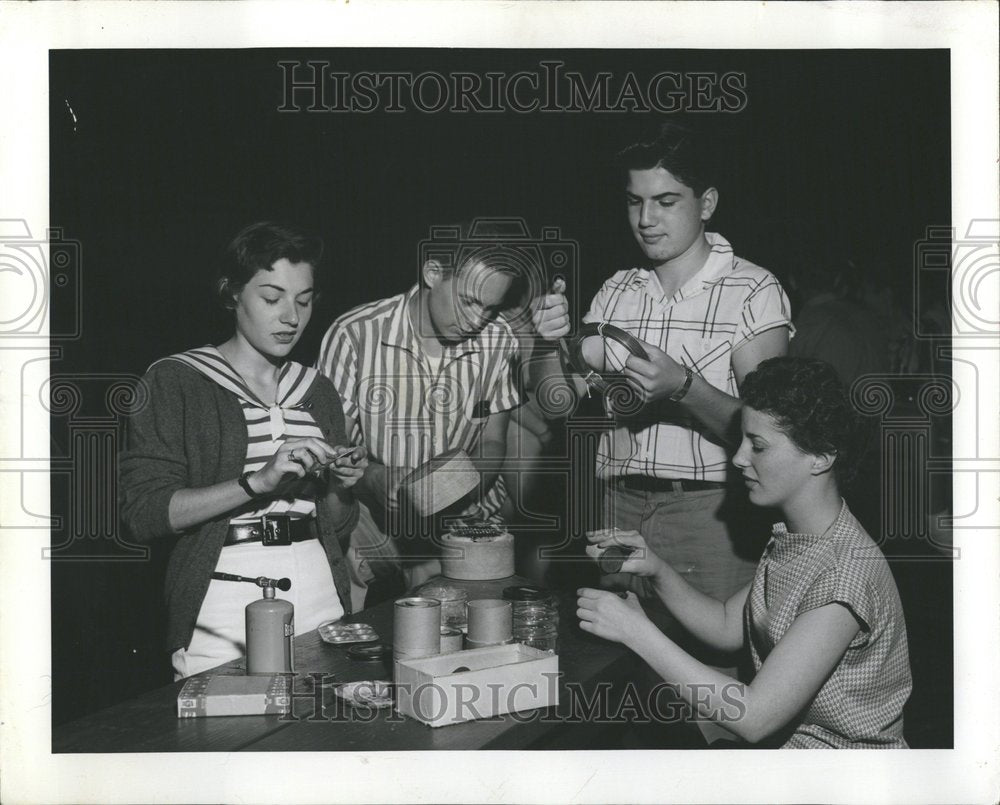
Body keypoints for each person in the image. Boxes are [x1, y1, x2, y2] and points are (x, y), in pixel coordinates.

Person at [578, 357, 912, 748]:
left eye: (758, 446)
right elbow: (724, 626)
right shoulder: (799, 537)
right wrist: (656, 567)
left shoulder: (843, 574)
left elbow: (754, 716)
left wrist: (637, 632)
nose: (738, 458)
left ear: (821, 457)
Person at [532, 121, 792, 621]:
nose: (646, 219)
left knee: (705, 672)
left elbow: (775, 435)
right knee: (616, 662)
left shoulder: (752, 290)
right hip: (615, 507)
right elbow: (557, 403)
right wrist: (546, 344)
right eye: (635, 201)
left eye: (666, 201)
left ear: (707, 203)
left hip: (710, 515)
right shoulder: (617, 290)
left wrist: (684, 389)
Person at [120, 222, 367, 679]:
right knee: (227, 738)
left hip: (319, 592)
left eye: (304, 300)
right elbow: (146, 512)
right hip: (223, 599)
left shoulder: (318, 390)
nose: (291, 316)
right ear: (232, 294)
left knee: (325, 735)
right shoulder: (178, 380)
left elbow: (337, 524)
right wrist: (258, 482)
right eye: (271, 299)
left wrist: (340, 486)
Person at [317, 221, 522, 607]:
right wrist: (373, 477)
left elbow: (494, 443)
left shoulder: (501, 340)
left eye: (491, 307)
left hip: (463, 523)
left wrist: (444, 492)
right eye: (469, 301)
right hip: (374, 522)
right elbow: (331, 451)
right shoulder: (354, 334)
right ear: (432, 273)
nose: (478, 320)